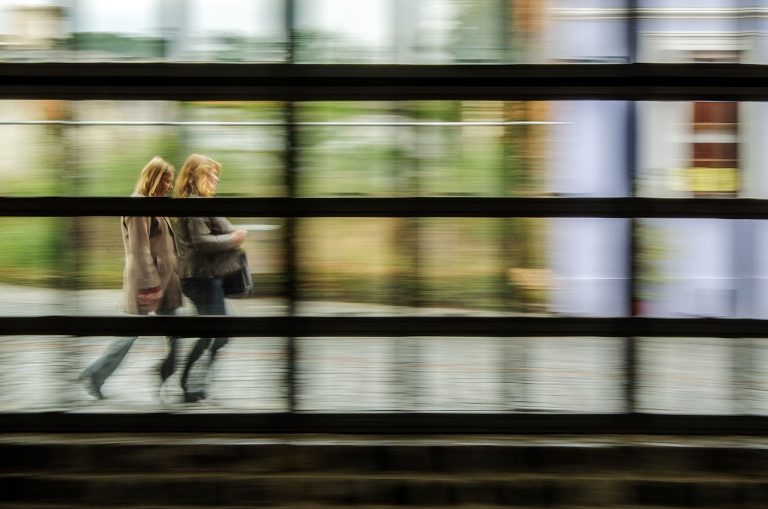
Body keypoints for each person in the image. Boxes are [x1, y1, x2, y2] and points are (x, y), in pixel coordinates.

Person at [79, 156, 183, 400]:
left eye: (171, 181)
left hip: (164, 282)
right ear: (154, 179)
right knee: (128, 335)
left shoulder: (153, 204)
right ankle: (94, 374)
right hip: (149, 283)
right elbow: (139, 249)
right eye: (166, 181)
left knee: (177, 333)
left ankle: (163, 374)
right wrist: (150, 285)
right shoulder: (139, 206)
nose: (170, 186)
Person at [174, 153, 247, 403]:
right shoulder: (194, 203)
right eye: (211, 173)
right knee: (216, 333)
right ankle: (189, 382)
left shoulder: (202, 201)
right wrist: (234, 238)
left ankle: (194, 381)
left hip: (206, 277)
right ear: (197, 176)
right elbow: (201, 241)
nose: (216, 178)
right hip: (201, 278)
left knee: (218, 332)